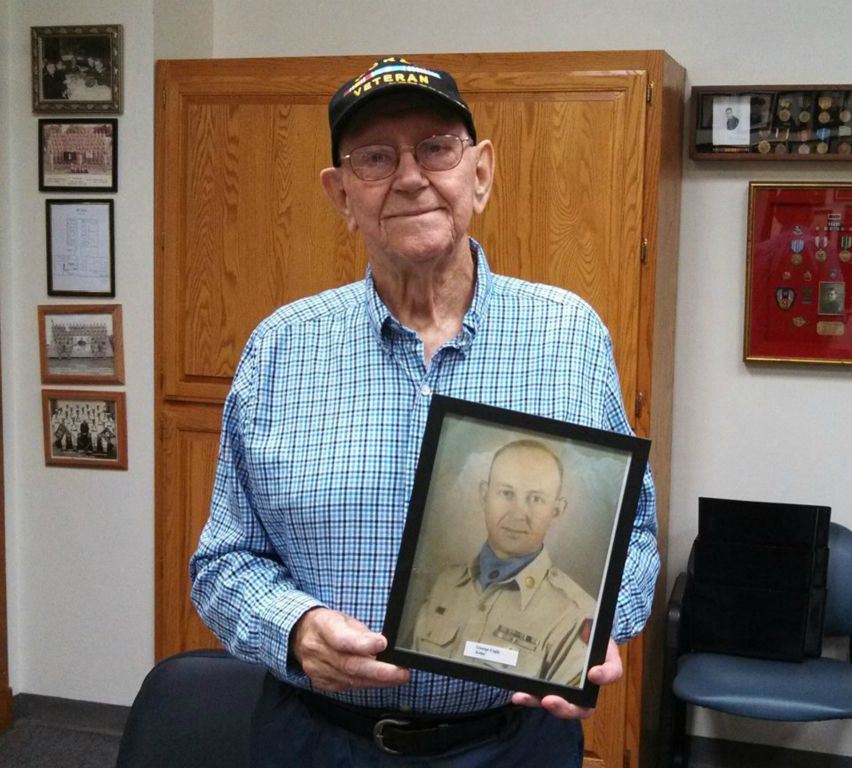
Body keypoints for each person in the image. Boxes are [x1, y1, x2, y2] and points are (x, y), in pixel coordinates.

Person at [190, 56, 659, 767]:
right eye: (375, 157)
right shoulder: (280, 348)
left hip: (513, 745)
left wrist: (593, 633)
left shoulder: (569, 334)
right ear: (342, 194)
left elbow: (637, 537)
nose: (411, 177)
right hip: (320, 742)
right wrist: (292, 627)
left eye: (436, 147)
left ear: (480, 171)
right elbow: (223, 562)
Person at [413, 440, 596, 687]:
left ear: (557, 510)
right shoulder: (445, 582)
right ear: (484, 495)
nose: (518, 513)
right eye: (506, 493)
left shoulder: (576, 613)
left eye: (536, 499)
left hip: (518, 725)